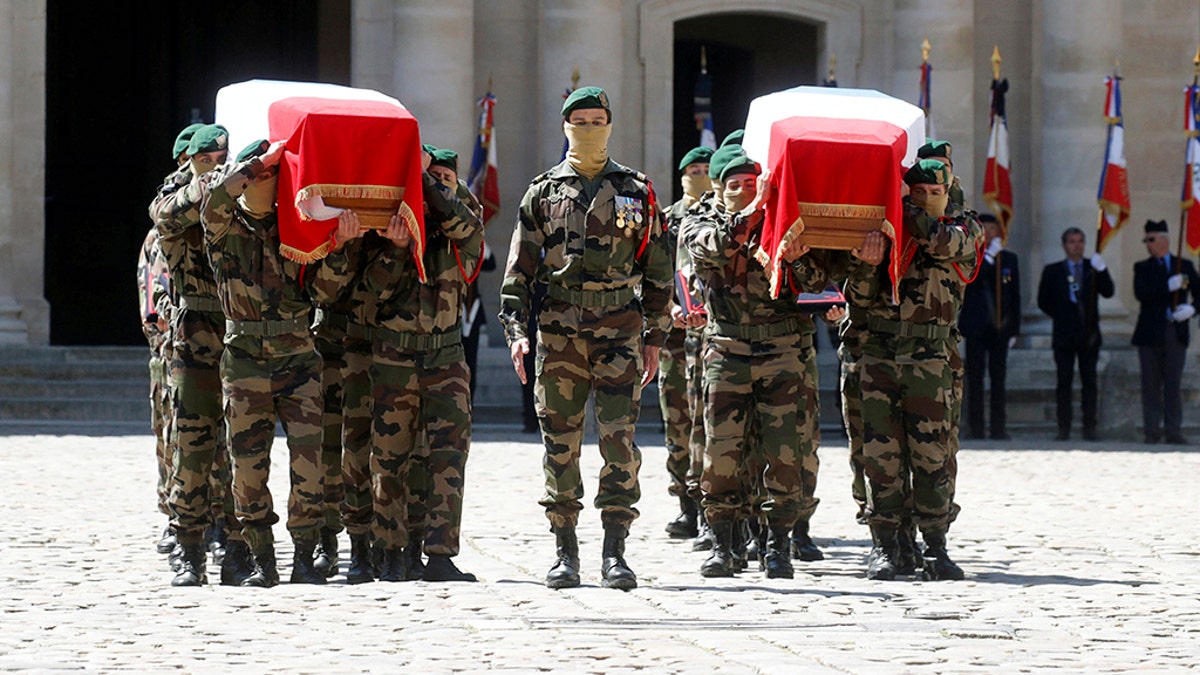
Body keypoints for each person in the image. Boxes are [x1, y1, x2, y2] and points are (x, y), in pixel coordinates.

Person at [499, 86, 672, 590]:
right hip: (559, 332)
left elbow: (658, 269)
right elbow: (519, 272)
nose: (590, 128)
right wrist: (516, 331)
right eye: (581, 121)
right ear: (565, 127)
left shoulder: (637, 190)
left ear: (611, 125)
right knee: (560, 443)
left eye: (598, 120)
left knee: (620, 443)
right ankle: (565, 552)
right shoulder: (543, 193)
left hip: (620, 328)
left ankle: (615, 552)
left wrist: (655, 336)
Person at [199, 139, 361, 587]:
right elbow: (214, 197)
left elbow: (325, 292)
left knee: (308, 463)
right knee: (248, 467)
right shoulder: (223, 229)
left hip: (297, 358)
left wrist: (341, 246)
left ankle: (305, 556)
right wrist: (258, 163)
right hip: (245, 360)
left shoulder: (296, 228)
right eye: (260, 177)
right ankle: (260, 558)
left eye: (273, 177)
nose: (264, 183)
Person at [682, 145, 841, 578]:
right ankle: (723, 543)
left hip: (782, 352)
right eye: (733, 186)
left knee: (784, 454)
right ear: (717, 188)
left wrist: (798, 256)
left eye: (751, 184)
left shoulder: (786, 226)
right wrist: (756, 210)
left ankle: (780, 545)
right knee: (722, 455)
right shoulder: (700, 221)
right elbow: (710, 249)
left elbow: (820, 285)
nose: (743, 191)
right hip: (728, 351)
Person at [857, 159, 982, 581]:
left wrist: (898, 206)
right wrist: (866, 259)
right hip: (881, 351)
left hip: (931, 355)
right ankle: (886, 546)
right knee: (881, 457)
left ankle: (936, 545)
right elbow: (857, 295)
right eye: (918, 191)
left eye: (935, 192)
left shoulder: (964, 228)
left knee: (933, 456)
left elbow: (941, 242)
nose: (927, 199)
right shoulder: (884, 230)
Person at [361, 153, 484, 583]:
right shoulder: (385, 231)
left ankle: (440, 554)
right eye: (431, 180)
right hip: (394, 357)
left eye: (446, 179)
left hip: (445, 355)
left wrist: (419, 176)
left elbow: (461, 220)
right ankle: (394, 550)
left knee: (448, 454)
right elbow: (368, 296)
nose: (437, 188)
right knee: (390, 459)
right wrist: (397, 250)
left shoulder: (465, 229)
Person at [151, 124, 242, 586]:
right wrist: (210, 184)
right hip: (195, 333)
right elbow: (168, 216)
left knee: (243, 448)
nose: (216, 166)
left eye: (222, 158)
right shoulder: (174, 202)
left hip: (243, 332)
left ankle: (238, 542)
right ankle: (188, 548)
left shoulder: (240, 204)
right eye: (207, 160)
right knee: (192, 444)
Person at [660, 145, 712, 540]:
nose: (699, 174)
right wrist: (668, 309)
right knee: (679, 422)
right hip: (676, 340)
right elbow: (650, 273)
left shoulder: (722, 218)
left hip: (713, 335)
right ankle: (685, 505)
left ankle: (715, 504)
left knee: (711, 423)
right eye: (692, 169)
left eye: (706, 169)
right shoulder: (665, 222)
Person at [1036, 227, 1114, 441]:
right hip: (1063, 334)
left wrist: (1104, 269)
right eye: (1071, 242)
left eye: (1080, 241)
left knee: (1089, 382)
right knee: (1064, 382)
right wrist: (1062, 315)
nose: (1076, 246)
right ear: (1064, 246)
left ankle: (1090, 427)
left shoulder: (1092, 268)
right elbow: (1043, 301)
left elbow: (1108, 291)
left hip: (1089, 335)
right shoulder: (1053, 271)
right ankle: (1064, 427)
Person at [1132, 219, 1199, 445]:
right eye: (1146, 240)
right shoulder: (1142, 267)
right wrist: (1167, 286)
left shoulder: (1185, 266)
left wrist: (1192, 309)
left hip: (1174, 331)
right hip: (1150, 332)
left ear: (1164, 239)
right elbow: (1142, 293)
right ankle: (1151, 430)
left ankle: (1173, 430)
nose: (1148, 244)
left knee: (1172, 384)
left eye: (1151, 239)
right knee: (1150, 385)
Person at [958, 213, 1020, 440]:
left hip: (1000, 328)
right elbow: (971, 283)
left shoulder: (1009, 259)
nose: (989, 233)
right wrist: (989, 258)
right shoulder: (970, 257)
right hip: (976, 327)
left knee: (998, 378)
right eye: (984, 228)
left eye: (993, 229)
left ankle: (998, 427)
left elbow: (1015, 296)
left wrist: (1014, 329)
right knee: (974, 378)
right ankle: (975, 427)